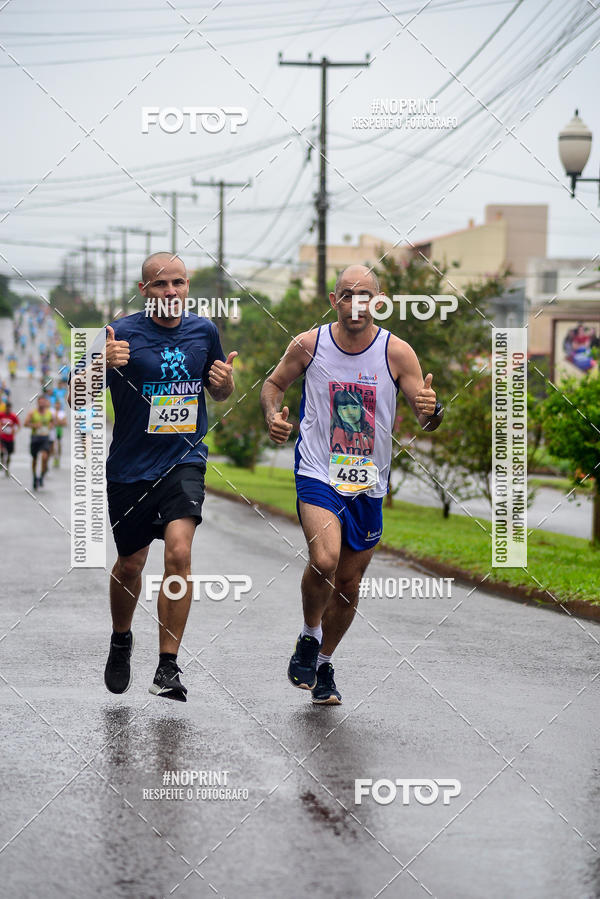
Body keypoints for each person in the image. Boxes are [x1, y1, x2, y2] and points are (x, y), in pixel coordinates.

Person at [260, 265, 443, 705]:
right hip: (318, 471)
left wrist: (432, 410)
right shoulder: (310, 344)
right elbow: (274, 384)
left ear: (377, 301)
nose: (355, 303)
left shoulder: (397, 352)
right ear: (334, 300)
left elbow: (426, 417)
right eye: (347, 294)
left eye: (364, 295)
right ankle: (308, 634)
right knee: (324, 558)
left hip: (367, 483)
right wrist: (272, 414)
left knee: (349, 584)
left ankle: (323, 664)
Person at [68, 252, 237, 702]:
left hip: (184, 461)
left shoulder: (205, 331)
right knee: (131, 564)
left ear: (187, 287)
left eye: (179, 283)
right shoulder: (117, 332)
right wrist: (101, 362)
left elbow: (218, 389)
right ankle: (121, 638)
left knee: (179, 554)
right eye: (161, 285)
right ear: (144, 291)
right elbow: (74, 396)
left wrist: (224, 382)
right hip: (129, 469)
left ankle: (168, 665)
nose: (172, 292)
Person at [25, 394, 55, 489]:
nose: (42, 403)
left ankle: (41, 476)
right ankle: (34, 477)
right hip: (35, 437)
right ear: (38, 402)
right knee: (34, 459)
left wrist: (51, 425)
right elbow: (25, 423)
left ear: (45, 403)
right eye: (40, 401)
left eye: (43, 402)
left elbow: (52, 422)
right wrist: (34, 425)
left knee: (45, 456)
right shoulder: (32, 413)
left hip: (45, 437)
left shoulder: (49, 413)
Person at [0, 400, 20, 477]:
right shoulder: (1, 415)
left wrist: (15, 431)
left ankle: (7, 467)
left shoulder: (13, 416)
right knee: (2, 450)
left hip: (10, 438)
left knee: (9, 454)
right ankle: (1, 460)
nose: (8, 409)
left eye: (9, 408)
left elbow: (18, 425)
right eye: (7, 408)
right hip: (2, 436)